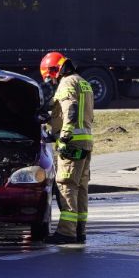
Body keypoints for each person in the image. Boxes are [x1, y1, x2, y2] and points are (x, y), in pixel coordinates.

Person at [39, 51, 94, 244]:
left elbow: (71, 109)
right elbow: (75, 112)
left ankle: (66, 232)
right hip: (85, 141)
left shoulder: (66, 83)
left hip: (71, 143)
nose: (51, 81)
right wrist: (50, 119)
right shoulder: (83, 82)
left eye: (49, 77)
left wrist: (63, 138)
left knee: (66, 185)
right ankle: (79, 230)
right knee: (80, 187)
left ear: (54, 71)